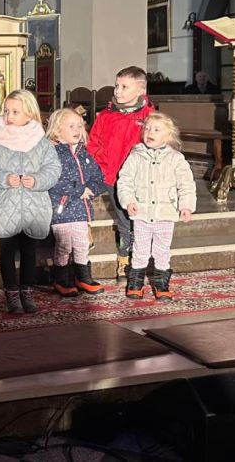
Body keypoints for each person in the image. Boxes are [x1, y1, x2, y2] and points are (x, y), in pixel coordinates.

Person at [0, 90, 60, 315]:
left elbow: (53, 168)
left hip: (33, 205)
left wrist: (38, 180)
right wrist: (4, 178)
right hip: (6, 205)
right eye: (6, 111)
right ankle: (11, 291)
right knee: (7, 250)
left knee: (29, 251)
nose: (9, 116)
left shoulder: (40, 142)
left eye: (15, 112)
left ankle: (27, 290)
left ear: (30, 114)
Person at [116, 112, 196, 300]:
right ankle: (135, 284)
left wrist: (186, 206)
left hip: (165, 214)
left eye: (156, 130)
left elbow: (186, 184)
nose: (150, 132)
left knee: (162, 251)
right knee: (140, 250)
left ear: (168, 136)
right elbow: (124, 180)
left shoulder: (176, 158)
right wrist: (128, 200)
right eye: (147, 128)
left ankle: (161, 285)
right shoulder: (136, 155)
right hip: (142, 213)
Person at [87, 66, 154, 284]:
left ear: (141, 91)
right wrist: (102, 166)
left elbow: (155, 145)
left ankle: (135, 262)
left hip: (137, 180)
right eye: (117, 86)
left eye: (125, 87)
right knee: (124, 220)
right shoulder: (106, 116)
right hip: (110, 175)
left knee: (135, 221)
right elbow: (93, 143)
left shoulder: (149, 118)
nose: (118, 90)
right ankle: (123, 261)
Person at [46, 108, 107, 297]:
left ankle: (83, 277)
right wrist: (79, 189)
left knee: (82, 244)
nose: (77, 130)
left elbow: (98, 177)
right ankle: (61, 279)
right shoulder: (52, 154)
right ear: (57, 131)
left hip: (81, 209)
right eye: (71, 126)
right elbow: (53, 181)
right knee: (64, 245)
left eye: (80, 126)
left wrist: (92, 189)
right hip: (61, 209)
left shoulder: (84, 154)